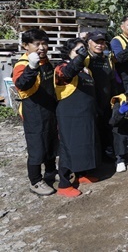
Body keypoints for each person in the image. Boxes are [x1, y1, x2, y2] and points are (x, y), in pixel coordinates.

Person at [12, 29, 58, 196]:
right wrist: (31, 67)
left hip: (49, 109)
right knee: (37, 145)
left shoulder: (46, 61)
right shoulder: (22, 64)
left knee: (51, 140)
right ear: (26, 46)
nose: (42, 47)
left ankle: (51, 171)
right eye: (37, 44)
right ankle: (35, 181)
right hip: (33, 111)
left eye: (44, 43)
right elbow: (22, 84)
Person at [54, 39, 99, 197]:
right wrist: (79, 58)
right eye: (78, 51)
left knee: (85, 144)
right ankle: (64, 184)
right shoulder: (61, 68)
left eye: (83, 50)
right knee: (68, 146)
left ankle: (82, 174)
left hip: (86, 114)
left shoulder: (86, 71)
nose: (82, 54)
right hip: (70, 115)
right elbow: (67, 73)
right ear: (69, 52)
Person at [85, 30, 118, 160]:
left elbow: (112, 80)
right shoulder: (85, 59)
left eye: (102, 42)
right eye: (96, 42)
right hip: (90, 100)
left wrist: (115, 98)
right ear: (89, 43)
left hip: (106, 100)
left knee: (106, 128)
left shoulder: (107, 59)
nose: (99, 45)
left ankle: (107, 154)